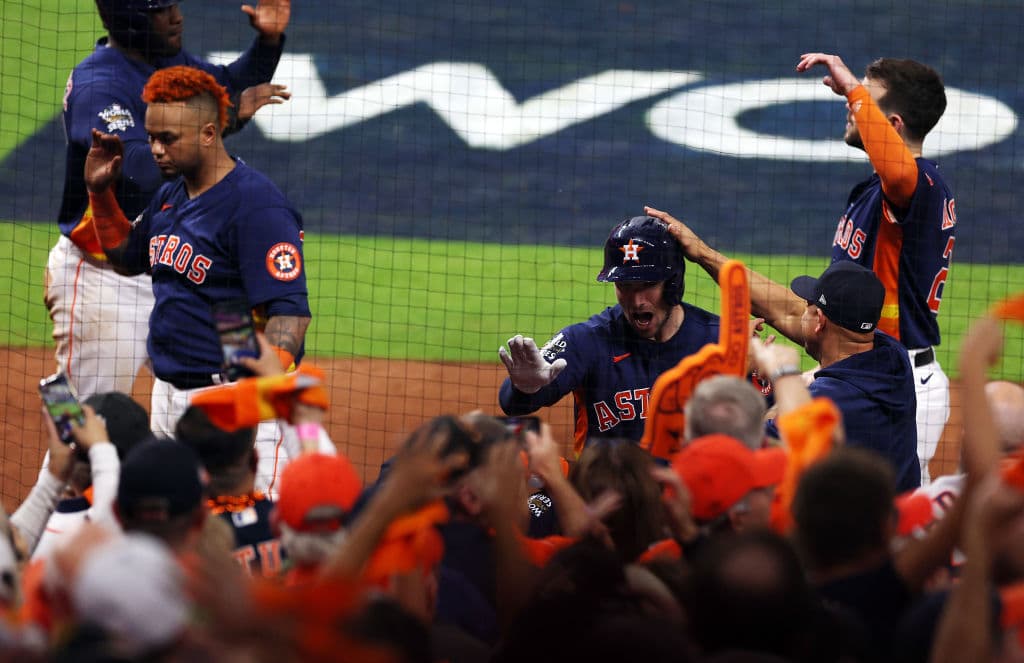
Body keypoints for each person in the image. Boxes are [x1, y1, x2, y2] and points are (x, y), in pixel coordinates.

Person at [83, 65, 311, 496]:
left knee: (248, 538)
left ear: (209, 134)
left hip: (233, 407)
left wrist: (253, 392)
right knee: (180, 535)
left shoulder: (257, 207)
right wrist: (100, 193)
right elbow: (129, 258)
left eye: (167, 139)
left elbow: (290, 314)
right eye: (151, 137)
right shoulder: (173, 192)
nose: (154, 150)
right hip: (169, 398)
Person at [47, 0, 291, 398]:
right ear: (129, 18)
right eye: (161, 10)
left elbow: (231, 88)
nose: (176, 17)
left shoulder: (168, 61)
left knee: (233, 400)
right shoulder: (98, 84)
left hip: (188, 268)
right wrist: (221, 124)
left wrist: (267, 42)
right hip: (105, 279)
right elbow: (139, 169)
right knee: (85, 430)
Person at [645, 207, 919, 490]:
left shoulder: (823, 404)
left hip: (852, 533)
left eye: (808, 308)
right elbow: (784, 309)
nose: (800, 309)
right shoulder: (890, 354)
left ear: (819, 323)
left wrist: (739, 377)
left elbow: (737, 452)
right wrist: (702, 253)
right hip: (901, 520)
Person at [796, 53, 955, 484]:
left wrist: (852, 88)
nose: (853, 105)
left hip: (897, 378)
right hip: (867, 371)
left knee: (891, 516)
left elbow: (901, 176)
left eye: (868, 99)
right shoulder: (875, 193)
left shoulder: (918, 186)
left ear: (894, 125)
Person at [498, 215, 720, 453]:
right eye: (624, 286)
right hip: (605, 488)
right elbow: (512, 404)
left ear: (673, 282)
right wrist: (526, 389)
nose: (636, 301)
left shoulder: (716, 339)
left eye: (646, 285)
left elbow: (761, 423)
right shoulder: (588, 340)